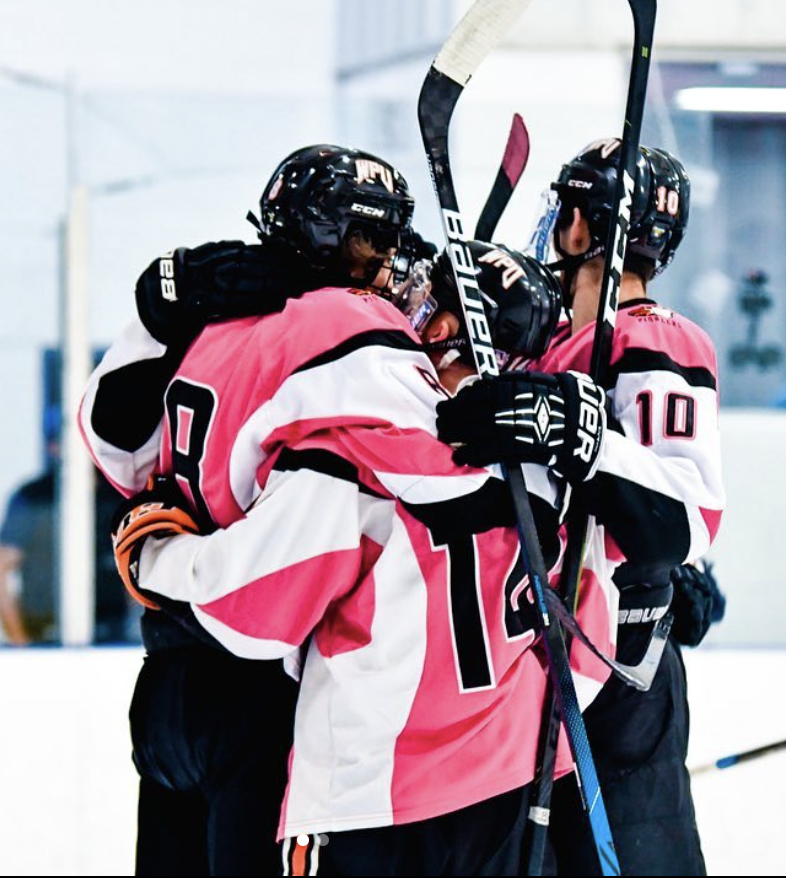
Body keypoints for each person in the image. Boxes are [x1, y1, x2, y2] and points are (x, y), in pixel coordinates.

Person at [101, 236, 612, 876]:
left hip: (366, 795)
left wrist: (152, 555)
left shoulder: (353, 452)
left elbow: (253, 611)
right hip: (505, 792)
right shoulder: (555, 480)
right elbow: (590, 655)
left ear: (448, 326)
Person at [81, 144, 422, 876]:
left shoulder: (211, 324)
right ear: (327, 233)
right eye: (375, 235)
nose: (389, 258)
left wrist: (160, 304)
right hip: (254, 674)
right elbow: (426, 435)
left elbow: (115, 448)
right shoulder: (340, 325)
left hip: (167, 683)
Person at [436, 139, 726, 876]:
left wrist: (584, 435)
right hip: (542, 652)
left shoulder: (653, 338)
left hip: (619, 663)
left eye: (563, 209)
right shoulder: (556, 344)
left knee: (636, 852)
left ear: (580, 227)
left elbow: (685, 517)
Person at [0, 425, 133, 645]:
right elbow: (0, 569)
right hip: (44, 632)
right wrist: (20, 642)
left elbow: (137, 566)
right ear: (53, 447)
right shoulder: (33, 499)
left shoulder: (116, 498)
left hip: (113, 632)